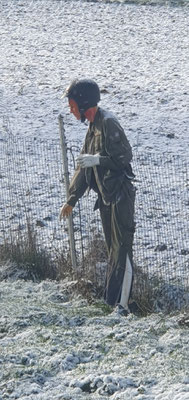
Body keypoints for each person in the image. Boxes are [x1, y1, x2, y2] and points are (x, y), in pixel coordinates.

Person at [60, 78, 136, 316]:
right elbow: (84, 167)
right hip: (107, 198)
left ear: (84, 104)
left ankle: (122, 307)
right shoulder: (93, 126)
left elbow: (124, 158)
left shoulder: (109, 123)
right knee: (113, 251)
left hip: (120, 196)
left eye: (73, 105)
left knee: (121, 250)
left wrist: (99, 160)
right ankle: (111, 303)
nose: (71, 110)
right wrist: (71, 198)